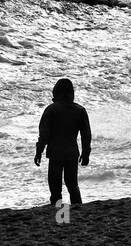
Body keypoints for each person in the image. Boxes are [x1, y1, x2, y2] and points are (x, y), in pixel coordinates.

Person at [33, 77, 92, 206]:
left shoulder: (51, 110)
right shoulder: (80, 110)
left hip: (55, 153)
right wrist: (86, 153)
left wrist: (39, 152)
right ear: (72, 93)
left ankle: (61, 217)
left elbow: (44, 135)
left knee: (55, 189)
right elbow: (86, 135)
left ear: (56, 93)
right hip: (72, 153)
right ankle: (78, 212)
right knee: (73, 186)